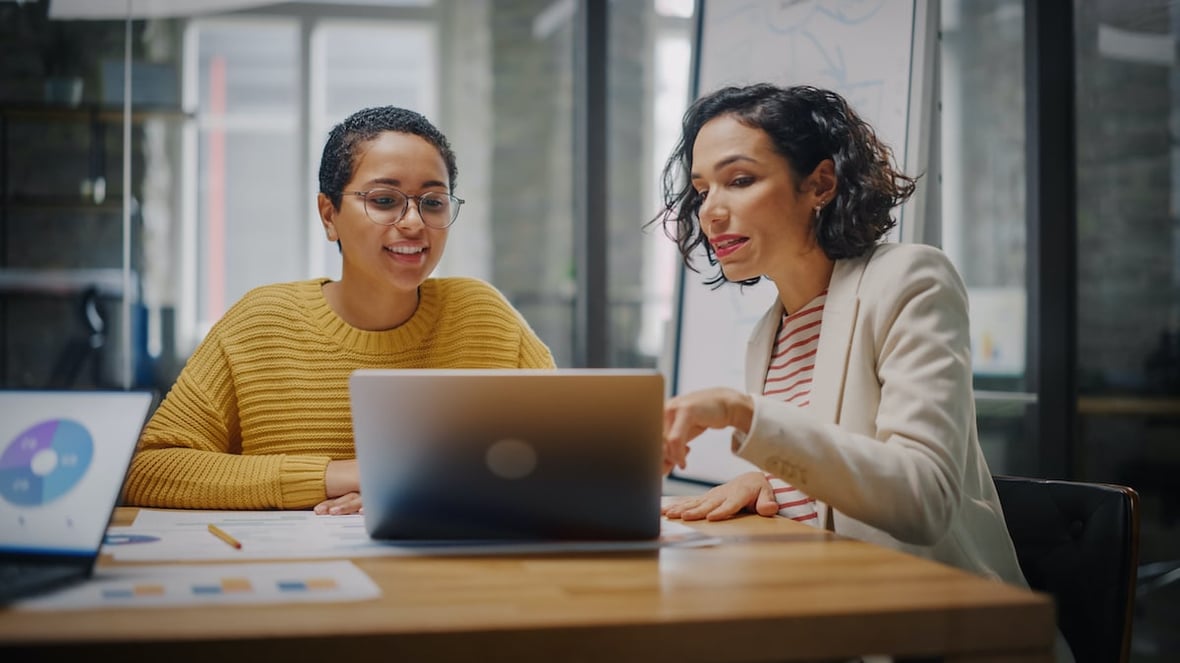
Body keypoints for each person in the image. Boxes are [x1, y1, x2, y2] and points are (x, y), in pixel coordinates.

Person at [652, 82, 1075, 659]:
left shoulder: (910, 280)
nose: (712, 210)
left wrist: (744, 413)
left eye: (741, 180)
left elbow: (920, 500)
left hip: (936, 637)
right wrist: (774, 480)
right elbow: (838, 461)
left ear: (820, 184)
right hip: (833, 617)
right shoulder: (767, 333)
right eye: (702, 190)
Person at [124, 106, 555, 515]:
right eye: (385, 200)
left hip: (451, 569)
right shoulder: (261, 323)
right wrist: (341, 475)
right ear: (329, 215)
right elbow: (148, 470)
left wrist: (422, 483)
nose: (413, 222)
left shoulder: (485, 317)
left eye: (433, 202)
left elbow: (564, 457)